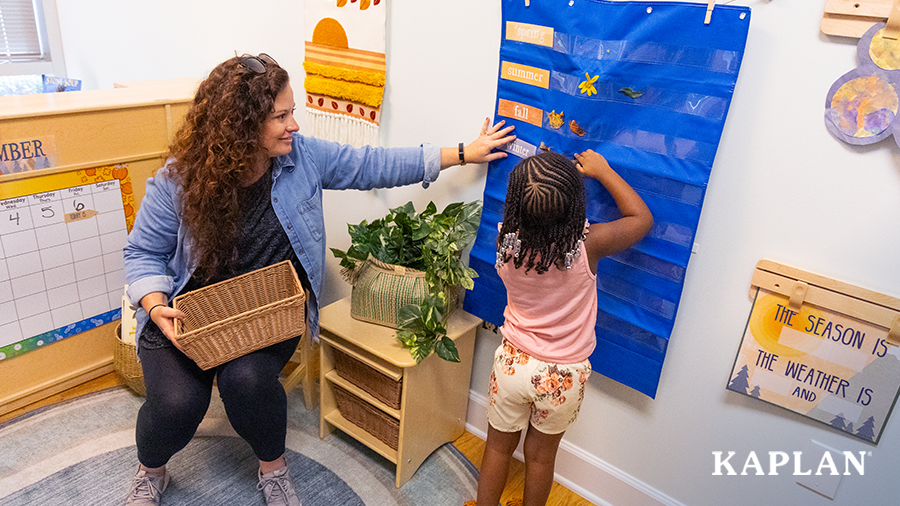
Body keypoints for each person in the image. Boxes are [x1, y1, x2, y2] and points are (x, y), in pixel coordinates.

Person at [122, 53, 515, 506]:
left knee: (247, 382)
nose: (294, 125)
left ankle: (273, 469)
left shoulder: (302, 159)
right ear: (242, 125)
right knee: (176, 405)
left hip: (265, 315)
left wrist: (462, 153)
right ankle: (150, 472)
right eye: (281, 116)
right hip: (186, 316)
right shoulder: (179, 179)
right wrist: (155, 305)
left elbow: (374, 164)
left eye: (292, 113)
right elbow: (142, 253)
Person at [474, 149, 653, 506]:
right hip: (563, 374)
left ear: (513, 205)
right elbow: (641, 219)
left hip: (512, 362)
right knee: (540, 458)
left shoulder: (504, 241)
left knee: (496, 448)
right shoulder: (589, 245)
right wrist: (603, 171)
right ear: (576, 206)